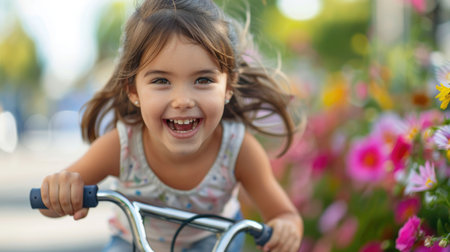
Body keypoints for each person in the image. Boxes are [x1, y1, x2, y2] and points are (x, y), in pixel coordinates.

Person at [38, 0, 303, 251]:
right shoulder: (123, 146)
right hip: (133, 244)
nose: (183, 101)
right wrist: (61, 191)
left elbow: (284, 214)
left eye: (203, 80)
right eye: (161, 81)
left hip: (215, 243)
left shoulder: (237, 149)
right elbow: (46, 205)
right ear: (133, 90)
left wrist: (285, 227)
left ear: (228, 87)